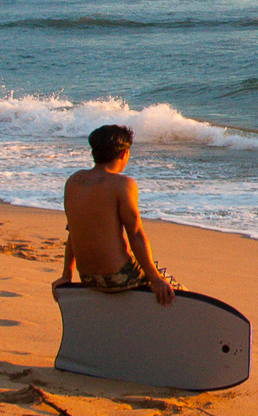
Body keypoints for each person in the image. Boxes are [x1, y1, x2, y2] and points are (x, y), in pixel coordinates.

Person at [54, 124, 178, 305]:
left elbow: (73, 233)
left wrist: (66, 275)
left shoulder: (73, 181)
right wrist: (155, 279)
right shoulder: (123, 184)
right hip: (119, 277)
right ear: (123, 154)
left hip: (88, 278)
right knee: (174, 289)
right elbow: (135, 235)